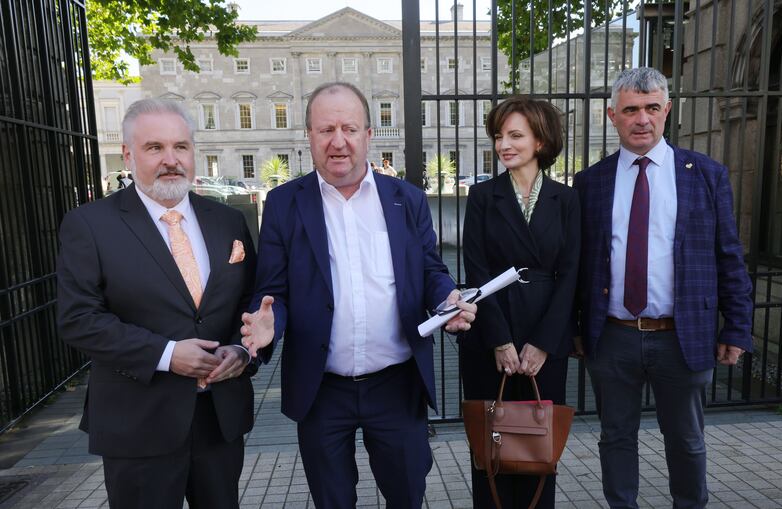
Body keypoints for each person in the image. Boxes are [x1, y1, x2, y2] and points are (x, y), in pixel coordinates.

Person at [241, 82, 477, 508]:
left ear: (369, 134)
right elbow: (273, 291)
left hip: (397, 385)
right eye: (325, 129)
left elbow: (429, 269)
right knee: (332, 501)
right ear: (309, 136)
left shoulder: (407, 199)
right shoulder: (282, 204)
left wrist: (447, 300)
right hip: (321, 388)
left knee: (407, 494)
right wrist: (268, 326)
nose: (338, 141)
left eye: (349, 128)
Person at [57, 98, 274, 509]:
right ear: (128, 154)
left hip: (219, 418)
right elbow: (78, 319)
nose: (171, 160)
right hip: (137, 421)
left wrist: (243, 351)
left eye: (181, 147)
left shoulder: (227, 220)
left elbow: (249, 302)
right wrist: (167, 354)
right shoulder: (90, 225)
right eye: (154, 148)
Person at [574, 67, 753, 508]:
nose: (642, 119)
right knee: (616, 438)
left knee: (687, 440)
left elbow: (728, 255)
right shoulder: (591, 182)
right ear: (612, 115)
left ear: (667, 110)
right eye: (631, 109)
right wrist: (576, 327)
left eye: (653, 108)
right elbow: (580, 264)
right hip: (612, 335)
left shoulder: (706, 175)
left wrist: (736, 329)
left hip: (682, 335)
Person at [460, 97, 580, 508]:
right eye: (498, 136)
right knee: (489, 452)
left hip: (545, 339)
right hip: (490, 336)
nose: (503, 145)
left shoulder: (566, 200)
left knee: (537, 451)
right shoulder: (481, 196)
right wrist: (498, 339)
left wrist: (544, 342)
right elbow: (474, 270)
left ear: (541, 141)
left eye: (515, 135)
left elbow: (571, 277)